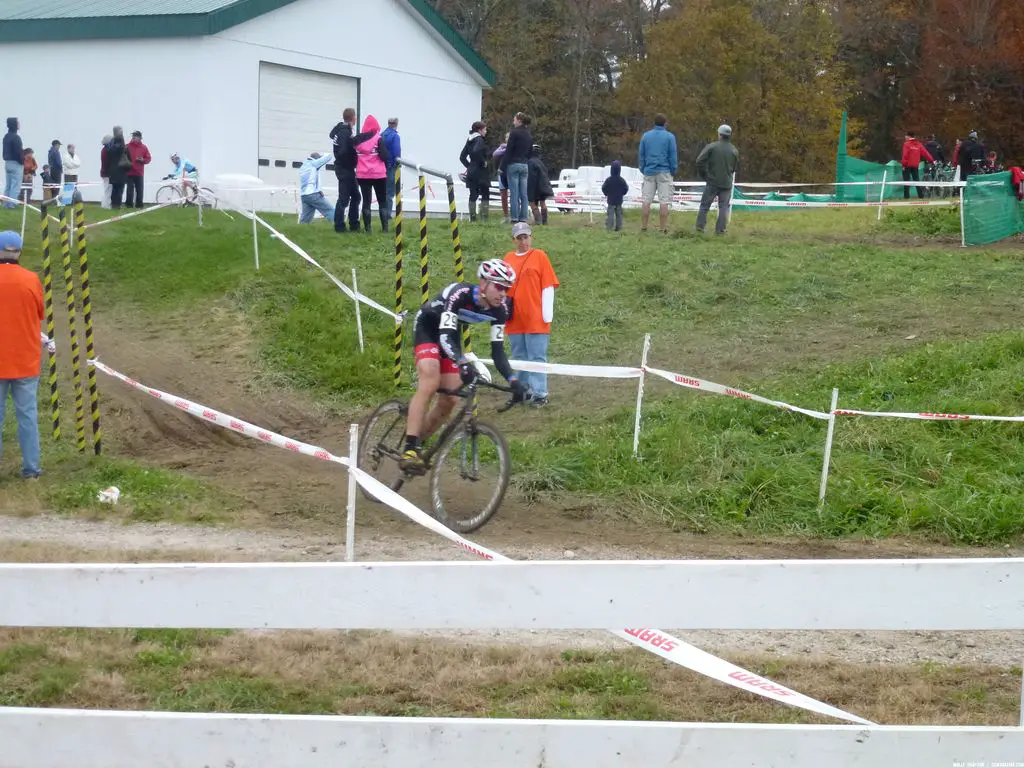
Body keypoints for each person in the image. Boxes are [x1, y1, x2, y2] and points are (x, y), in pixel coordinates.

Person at [400, 259, 527, 471]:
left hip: (450, 335)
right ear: (484, 283)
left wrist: (513, 381)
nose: (503, 293)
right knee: (430, 380)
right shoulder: (460, 294)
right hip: (429, 328)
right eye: (499, 286)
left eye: (507, 288)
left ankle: (420, 443)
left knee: (450, 399)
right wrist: (462, 363)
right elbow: (445, 336)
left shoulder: (501, 310)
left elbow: (498, 353)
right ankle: (409, 447)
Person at [0, 231, 45, 480]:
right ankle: (31, 470)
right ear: (18, 252)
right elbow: (40, 313)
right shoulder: (31, 279)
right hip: (25, 360)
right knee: (27, 417)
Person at [503, 221, 558, 407]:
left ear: (531, 237)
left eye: (526, 237)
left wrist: (546, 314)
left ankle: (540, 393)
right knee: (519, 356)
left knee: (537, 356)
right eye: (519, 238)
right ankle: (523, 390)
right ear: (514, 240)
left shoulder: (539, 256)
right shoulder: (508, 258)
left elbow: (548, 285)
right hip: (515, 317)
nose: (523, 241)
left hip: (536, 316)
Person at [329, 108, 375, 233]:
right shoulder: (344, 132)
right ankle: (339, 226)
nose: (356, 118)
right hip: (345, 169)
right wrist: (351, 158)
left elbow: (352, 142)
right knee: (343, 198)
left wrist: (368, 135)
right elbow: (345, 148)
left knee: (356, 196)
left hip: (346, 169)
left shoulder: (342, 130)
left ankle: (354, 224)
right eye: (355, 116)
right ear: (353, 117)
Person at [695, 124, 739, 235]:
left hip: (712, 181)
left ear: (719, 134)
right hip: (727, 183)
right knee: (724, 207)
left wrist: (704, 174)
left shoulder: (712, 147)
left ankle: (700, 228)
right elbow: (734, 168)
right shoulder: (734, 150)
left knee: (705, 206)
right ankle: (720, 230)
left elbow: (699, 161)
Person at [638, 113, 678, 232]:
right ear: (665, 123)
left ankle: (644, 227)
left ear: (654, 123)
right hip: (664, 172)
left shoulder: (645, 136)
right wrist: (673, 170)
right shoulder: (670, 137)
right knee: (664, 201)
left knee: (646, 201)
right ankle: (662, 228)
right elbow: (673, 155)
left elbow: (641, 154)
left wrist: (643, 168)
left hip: (649, 171)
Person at [355, 114, 390, 232]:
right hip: (379, 175)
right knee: (382, 201)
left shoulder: (357, 140)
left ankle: (368, 229)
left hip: (363, 174)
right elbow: (385, 156)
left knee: (366, 201)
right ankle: (385, 229)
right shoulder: (378, 139)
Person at [502, 113, 533, 223]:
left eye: (514, 119)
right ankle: (523, 218)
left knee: (514, 193)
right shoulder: (529, 135)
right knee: (524, 194)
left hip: (513, 164)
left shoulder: (514, 133)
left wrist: (502, 166)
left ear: (519, 120)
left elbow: (508, 151)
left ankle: (514, 218)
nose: (513, 121)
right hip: (524, 165)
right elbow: (530, 152)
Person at [460, 120, 490, 222]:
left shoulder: (469, 140)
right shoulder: (479, 139)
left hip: (472, 171)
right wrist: (483, 162)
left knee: (473, 195)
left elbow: (462, 157)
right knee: (485, 193)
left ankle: (473, 218)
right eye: (485, 129)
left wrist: (469, 166)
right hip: (481, 171)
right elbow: (476, 151)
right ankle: (484, 218)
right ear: (480, 130)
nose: (486, 131)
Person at [298, 151, 334, 223]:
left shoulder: (304, 165)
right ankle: (339, 226)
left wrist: (319, 190)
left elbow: (311, 180)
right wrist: (321, 154)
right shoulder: (314, 164)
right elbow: (329, 156)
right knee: (329, 210)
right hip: (313, 195)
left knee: (306, 218)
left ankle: (301, 230)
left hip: (304, 195)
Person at [900, 132, 933, 199]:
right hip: (915, 165)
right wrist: (931, 160)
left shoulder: (906, 144)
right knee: (917, 181)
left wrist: (903, 165)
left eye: (905, 136)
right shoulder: (918, 144)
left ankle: (906, 197)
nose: (905, 137)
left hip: (907, 165)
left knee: (906, 181)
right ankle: (921, 196)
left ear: (908, 136)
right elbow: (925, 153)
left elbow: (905, 155)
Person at [527, 144, 553, 225]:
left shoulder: (530, 162)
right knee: (542, 203)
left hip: (535, 187)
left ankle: (538, 221)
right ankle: (544, 221)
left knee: (532, 203)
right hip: (544, 186)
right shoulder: (541, 163)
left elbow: (531, 177)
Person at [381, 117, 401, 218]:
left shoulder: (382, 134)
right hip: (390, 167)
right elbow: (396, 153)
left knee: (383, 192)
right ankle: (387, 215)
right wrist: (397, 165)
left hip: (381, 167)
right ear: (396, 124)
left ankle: (382, 213)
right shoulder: (395, 136)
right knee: (389, 193)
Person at [125, 131, 151, 208]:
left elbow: (148, 158)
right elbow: (122, 157)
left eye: (135, 136)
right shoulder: (127, 146)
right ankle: (129, 205)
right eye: (133, 136)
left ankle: (139, 205)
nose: (133, 138)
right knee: (129, 190)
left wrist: (142, 160)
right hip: (129, 172)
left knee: (139, 190)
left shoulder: (144, 147)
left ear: (139, 138)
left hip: (139, 173)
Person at [105, 127, 129, 209]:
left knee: (115, 188)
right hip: (120, 169)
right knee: (119, 188)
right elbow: (123, 152)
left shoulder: (110, 144)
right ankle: (117, 205)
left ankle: (114, 204)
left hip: (113, 170)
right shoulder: (121, 143)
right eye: (121, 132)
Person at [602, 160, 629, 231]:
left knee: (610, 215)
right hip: (619, 200)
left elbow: (604, 188)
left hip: (610, 200)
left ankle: (609, 227)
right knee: (619, 215)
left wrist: (606, 193)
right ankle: (618, 228)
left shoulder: (608, 180)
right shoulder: (622, 180)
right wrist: (622, 194)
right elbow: (626, 188)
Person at [4, 118, 24, 209]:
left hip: (7, 163)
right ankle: (12, 205)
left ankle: (5, 204)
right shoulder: (16, 137)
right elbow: (18, 153)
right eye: (18, 122)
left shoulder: (6, 136)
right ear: (15, 125)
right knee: (15, 185)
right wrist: (22, 161)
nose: (19, 124)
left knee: (8, 185)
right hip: (16, 163)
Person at [99, 134, 113, 209]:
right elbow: (107, 162)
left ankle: (105, 204)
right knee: (108, 190)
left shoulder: (104, 150)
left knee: (107, 189)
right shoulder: (106, 151)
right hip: (107, 173)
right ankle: (106, 205)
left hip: (105, 172)